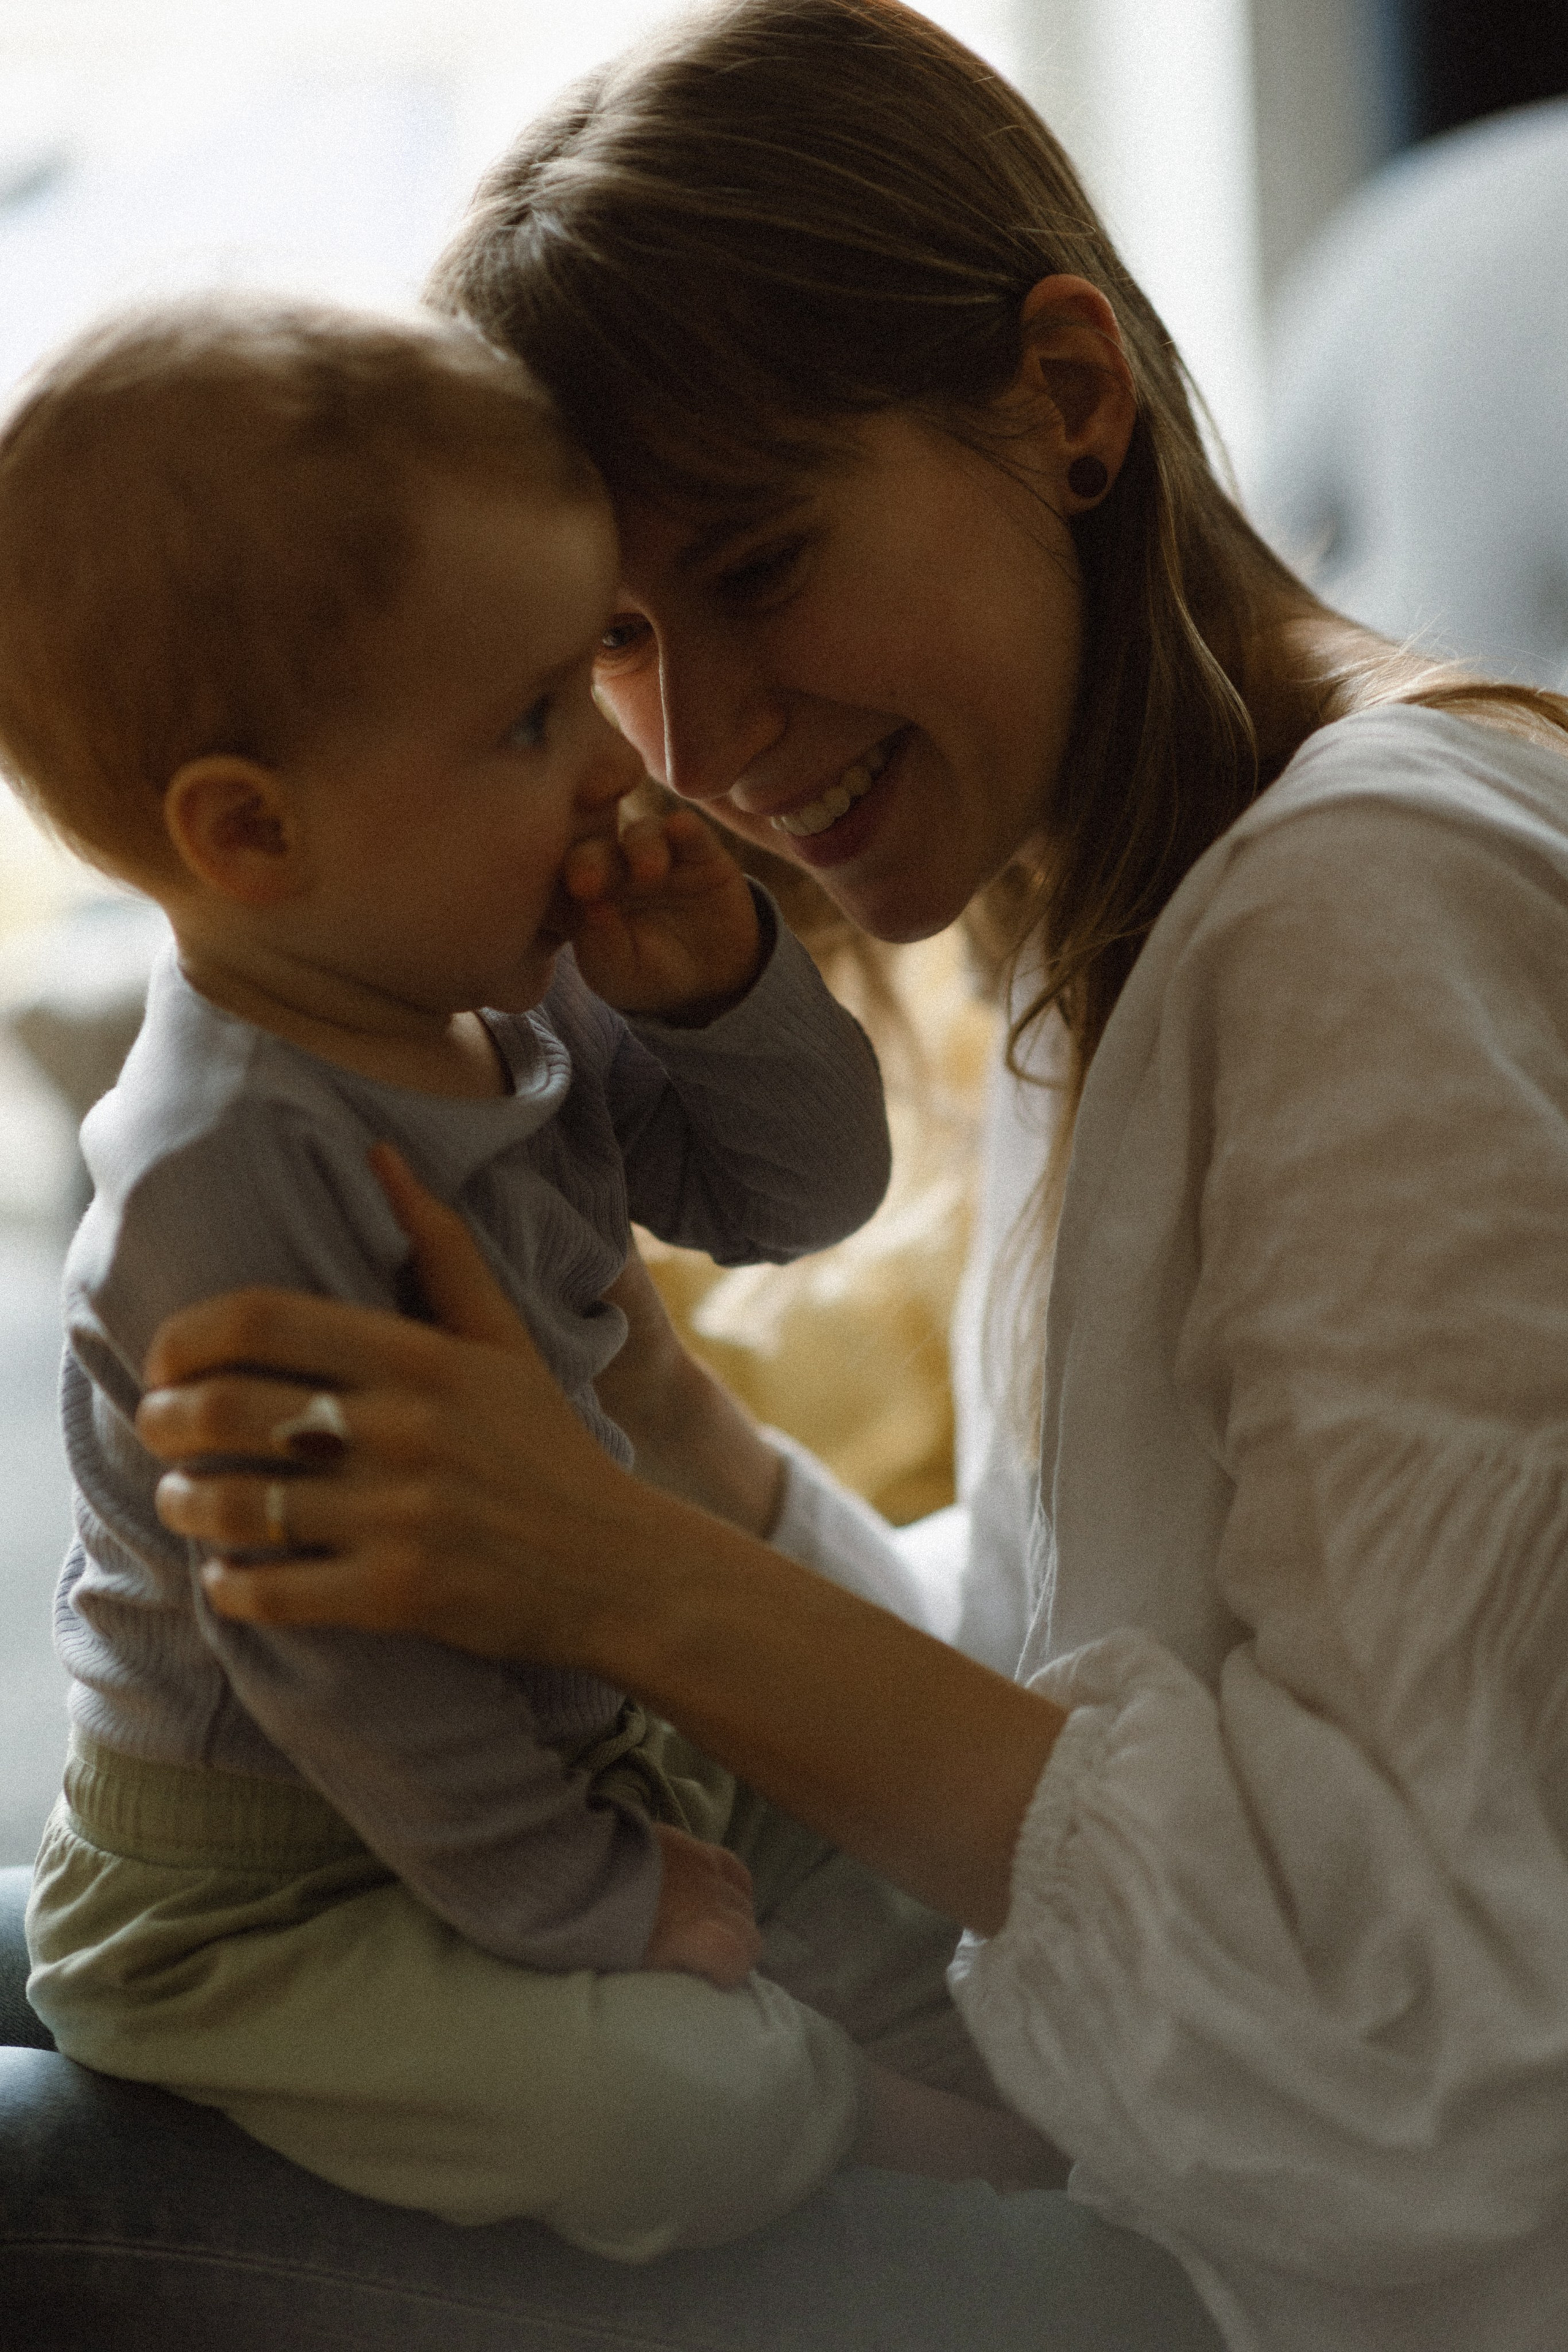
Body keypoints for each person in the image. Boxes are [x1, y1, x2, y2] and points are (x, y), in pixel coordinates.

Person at [13, 0, 1568, 2343]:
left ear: (1066, 397)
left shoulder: (1366, 913)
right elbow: (1061, 1699)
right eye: (609, 648)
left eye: (760, 563)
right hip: (1137, 2103)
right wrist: (673, 1433)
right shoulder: (1129, 908)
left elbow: (1438, 2052)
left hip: (1293, 2270)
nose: (694, 749)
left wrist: (619, 1576)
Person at [0, 294, 1057, 2260]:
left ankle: (877, 2057)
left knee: (910, 1847)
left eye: (579, 683)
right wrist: (590, 1901)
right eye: (524, 723)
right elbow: (340, 1658)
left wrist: (724, 996)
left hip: (547, 1740)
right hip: (280, 1890)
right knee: (672, 2109)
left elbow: (798, 1200)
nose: (612, 769)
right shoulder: (220, 1188)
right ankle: (846, 2118)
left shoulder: (491, 996)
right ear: (251, 830)